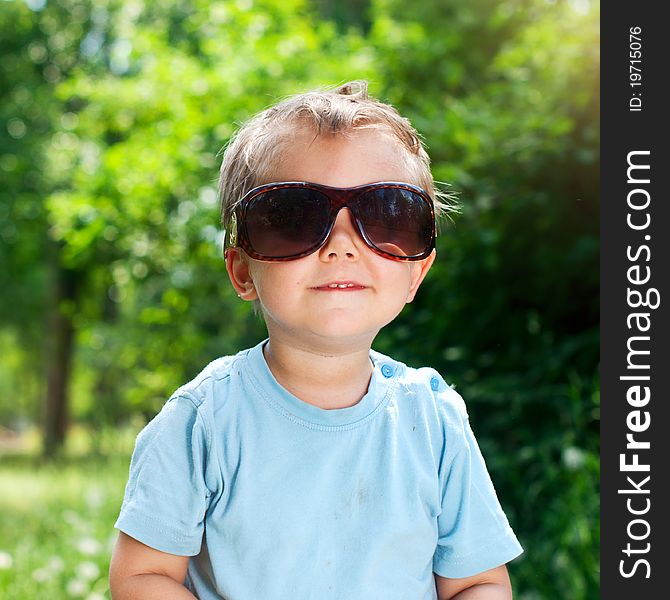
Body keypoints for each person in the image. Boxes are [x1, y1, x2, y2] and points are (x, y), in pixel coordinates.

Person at [109, 80, 523, 600]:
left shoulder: (434, 421)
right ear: (242, 270)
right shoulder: (204, 420)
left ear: (417, 272)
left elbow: (479, 583)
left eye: (386, 214)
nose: (342, 245)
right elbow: (141, 577)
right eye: (294, 218)